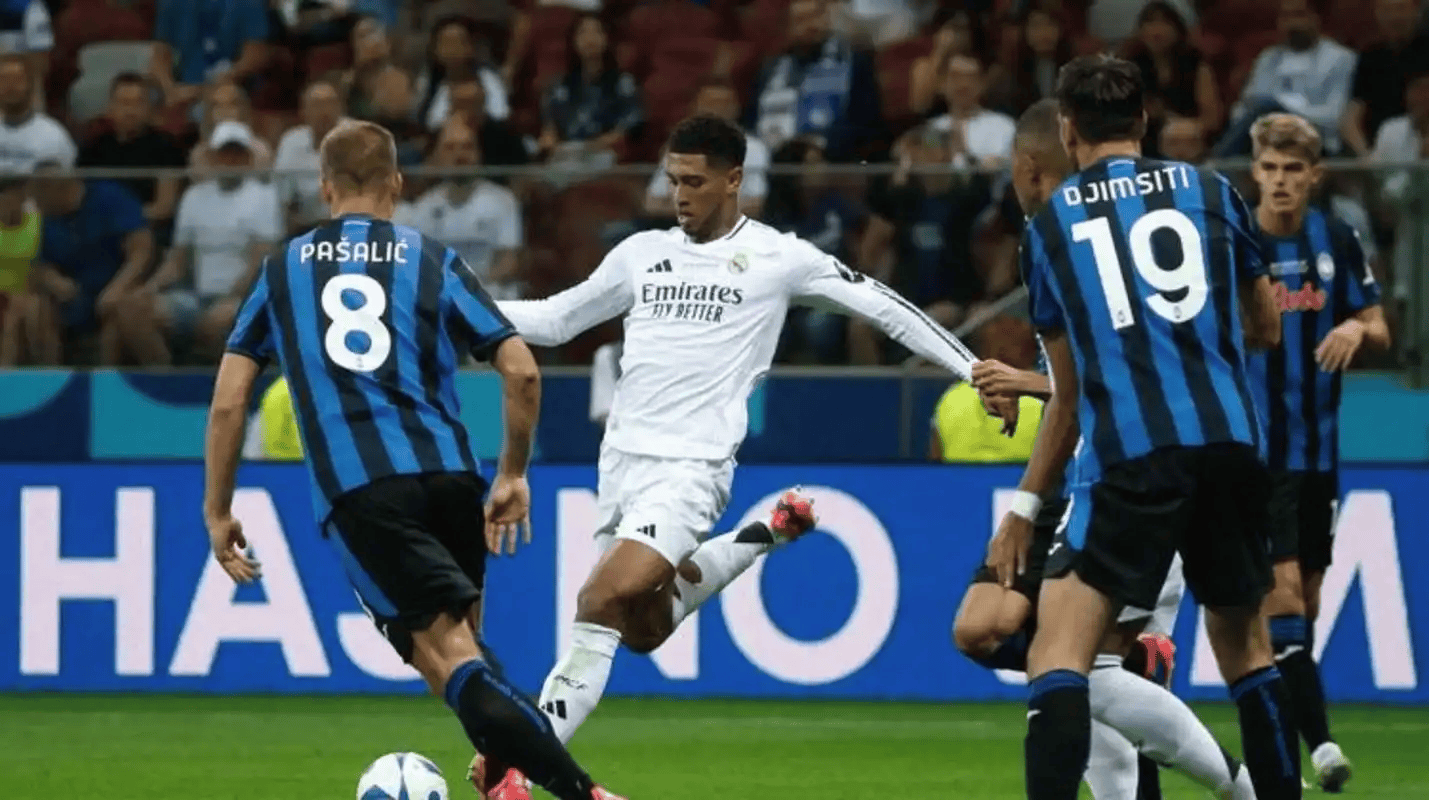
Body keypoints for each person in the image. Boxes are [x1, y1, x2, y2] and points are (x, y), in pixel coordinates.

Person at [473, 113, 984, 800]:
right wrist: (454, 303)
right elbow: (556, 319)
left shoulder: (779, 258)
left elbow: (883, 308)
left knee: (598, 599)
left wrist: (972, 369)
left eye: (693, 181)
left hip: (692, 469)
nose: (678, 195)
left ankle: (519, 764)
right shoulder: (640, 254)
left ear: (734, 179)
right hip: (620, 467)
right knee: (643, 629)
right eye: (672, 180)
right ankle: (766, 532)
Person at [200, 119, 626, 800]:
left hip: (363, 486)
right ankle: (505, 782)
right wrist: (512, 473)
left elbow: (228, 403)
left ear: (324, 186)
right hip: (453, 477)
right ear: (397, 185)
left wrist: (218, 510)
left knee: (449, 659)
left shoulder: (282, 270)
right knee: (460, 659)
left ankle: (586, 794)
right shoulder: (433, 259)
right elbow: (521, 372)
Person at [984, 55, 1300, 800]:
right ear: (1144, 121)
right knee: (1248, 652)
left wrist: (1024, 507)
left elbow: (1067, 395)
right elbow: (1266, 328)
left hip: (1131, 453)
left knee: (1059, 655)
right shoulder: (1213, 191)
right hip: (1230, 441)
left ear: (1068, 129)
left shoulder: (1049, 228)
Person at [1246, 112, 1392, 792]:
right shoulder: (1238, 244)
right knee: (1281, 602)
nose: (1279, 181)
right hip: (1259, 456)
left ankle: (1279, 755)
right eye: (1269, 169)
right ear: (1255, 172)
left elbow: (1379, 325)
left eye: (1292, 170)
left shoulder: (1335, 239)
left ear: (1313, 176)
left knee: (1301, 606)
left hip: (1319, 456)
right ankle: (1323, 748)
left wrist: (1356, 332)